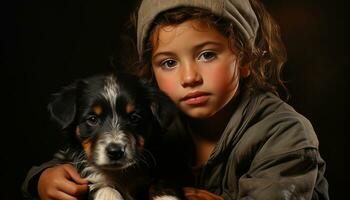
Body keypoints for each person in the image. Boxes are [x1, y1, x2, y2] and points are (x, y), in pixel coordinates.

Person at [22, 0, 329, 199]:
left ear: (245, 58)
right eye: (169, 62)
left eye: (207, 55)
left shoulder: (284, 132)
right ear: (150, 71)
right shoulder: (156, 119)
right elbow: (80, 158)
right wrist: (42, 180)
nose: (189, 77)